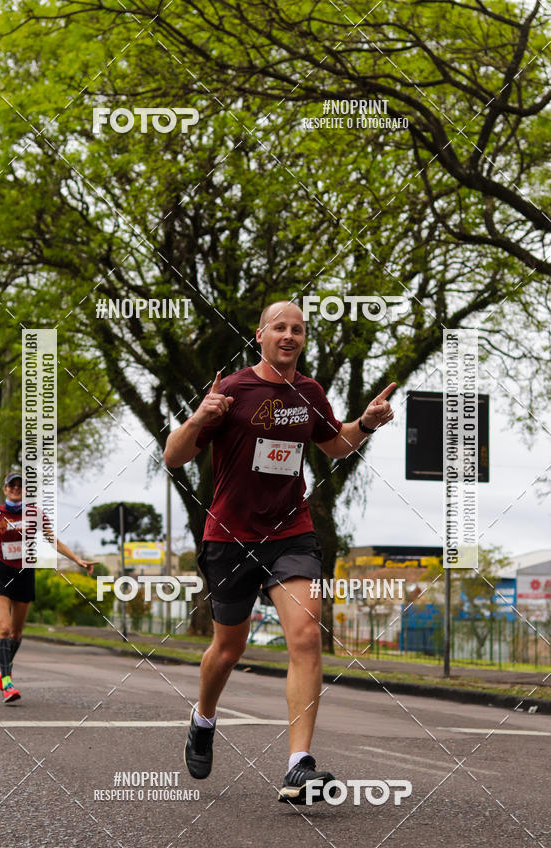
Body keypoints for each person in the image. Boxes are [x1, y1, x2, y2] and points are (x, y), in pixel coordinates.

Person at [163, 301, 395, 804]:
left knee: (307, 633)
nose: (289, 335)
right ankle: (203, 717)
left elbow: (335, 446)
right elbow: (173, 457)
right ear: (260, 335)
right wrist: (199, 417)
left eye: (298, 329)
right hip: (229, 536)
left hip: (291, 531)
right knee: (228, 649)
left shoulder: (309, 392)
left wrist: (367, 423)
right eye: (280, 328)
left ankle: (299, 765)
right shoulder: (232, 390)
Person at [0, 471, 96, 702]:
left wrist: (77, 560)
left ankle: (4, 670)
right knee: (4, 629)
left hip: (25, 575)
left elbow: (53, 541)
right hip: (0, 574)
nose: (16, 489)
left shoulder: (35, 514)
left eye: (20, 485)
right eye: (12, 485)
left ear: (26, 490)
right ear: (5, 488)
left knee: (17, 633)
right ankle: (8, 683)